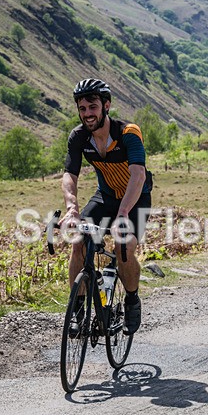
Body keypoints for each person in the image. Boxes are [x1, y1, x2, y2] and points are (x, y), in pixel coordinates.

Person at [61, 78, 152, 334]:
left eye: (93, 107)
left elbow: (138, 175)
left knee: (124, 245)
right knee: (79, 241)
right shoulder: (79, 136)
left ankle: (132, 300)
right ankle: (78, 311)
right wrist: (71, 209)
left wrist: (123, 213)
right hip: (105, 196)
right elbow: (70, 174)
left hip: (135, 199)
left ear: (106, 106)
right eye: (82, 108)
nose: (87, 114)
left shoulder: (128, 133)